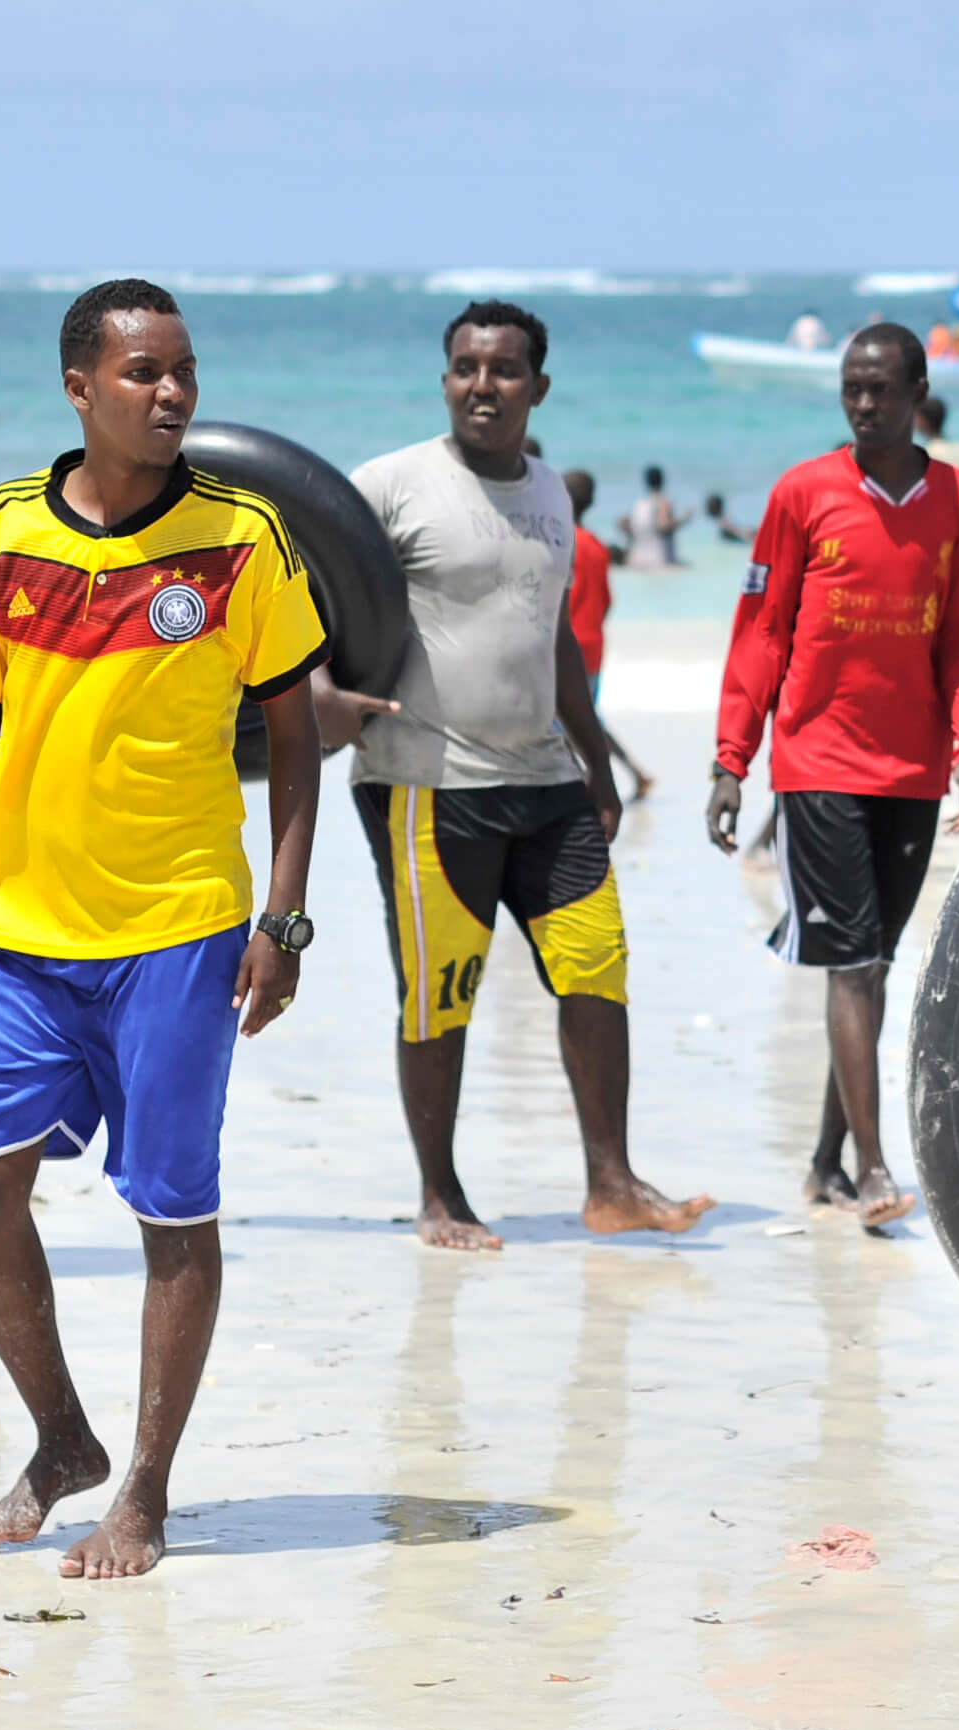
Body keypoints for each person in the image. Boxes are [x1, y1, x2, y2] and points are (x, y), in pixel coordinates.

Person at [0, 279, 328, 1581]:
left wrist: (283, 918)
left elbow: (295, 735)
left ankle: (145, 1490)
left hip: (179, 932)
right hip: (20, 929)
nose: (173, 392)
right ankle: (64, 1435)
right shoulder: (9, 528)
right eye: (143, 373)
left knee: (171, 1214)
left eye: (183, 370)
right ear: (80, 387)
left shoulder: (245, 535)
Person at [325, 300, 712, 1251]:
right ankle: (441, 1196)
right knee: (440, 993)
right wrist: (322, 694)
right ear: (446, 378)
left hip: (545, 782)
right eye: (465, 368)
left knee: (598, 967)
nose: (482, 387)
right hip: (426, 780)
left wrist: (595, 752)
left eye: (503, 371)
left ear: (538, 387)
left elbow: (560, 641)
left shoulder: (551, 493)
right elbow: (298, 593)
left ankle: (612, 1184)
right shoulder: (389, 484)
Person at [708, 323, 959, 1227]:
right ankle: (873, 1169)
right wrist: (730, 760)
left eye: (880, 390)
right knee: (855, 965)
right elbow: (762, 632)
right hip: (817, 763)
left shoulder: (954, 497)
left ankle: (826, 1161)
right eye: (851, 390)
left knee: (871, 964)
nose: (864, 405)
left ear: (918, 393)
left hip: (909, 772)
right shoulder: (803, 493)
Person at [555, 468, 657, 798]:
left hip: (564, 646)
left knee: (568, 725)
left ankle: (578, 792)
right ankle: (633, 771)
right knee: (587, 721)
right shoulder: (597, 546)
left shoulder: (557, 540)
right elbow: (606, 600)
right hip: (594, 645)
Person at [614, 464, 688, 570]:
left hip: (637, 559)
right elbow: (663, 525)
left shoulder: (639, 504)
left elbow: (625, 526)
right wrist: (684, 519)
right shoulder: (664, 502)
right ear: (662, 481)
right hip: (660, 560)